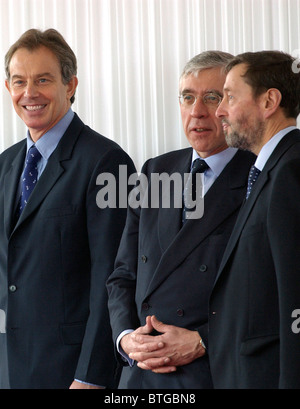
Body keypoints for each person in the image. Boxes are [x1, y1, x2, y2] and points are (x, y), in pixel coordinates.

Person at [106, 51, 255, 389]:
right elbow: (123, 275)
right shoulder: (154, 171)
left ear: (232, 104)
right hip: (142, 375)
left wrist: (204, 340)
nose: (197, 111)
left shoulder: (259, 175)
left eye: (212, 97)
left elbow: (271, 294)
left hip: (216, 373)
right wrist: (126, 338)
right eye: (188, 97)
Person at [0, 28, 136, 389]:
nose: (29, 93)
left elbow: (113, 279)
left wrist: (89, 376)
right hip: (11, 365)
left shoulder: (108, 162)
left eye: (43, 80)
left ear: (71, 85)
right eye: (19, 81)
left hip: (71, 372)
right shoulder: (5, 164)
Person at [209, 50, 300, 389]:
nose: (220, 110)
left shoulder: (291, 171)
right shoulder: (269, 169)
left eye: (230, 96)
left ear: (269, 101)